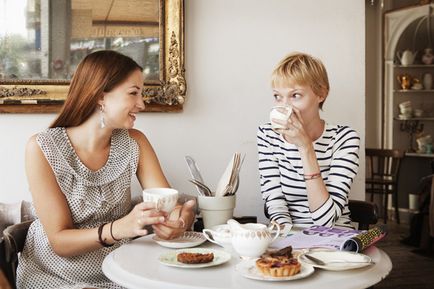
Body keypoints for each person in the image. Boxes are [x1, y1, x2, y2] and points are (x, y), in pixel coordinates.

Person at [17, 50, 195, 288]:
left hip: (120, 269)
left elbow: (168, 203)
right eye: (133, 93)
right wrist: (120, 228)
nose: (142, 104)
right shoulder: (41, 148)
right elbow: (60, 242)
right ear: (101, 96)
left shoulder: (135, 142)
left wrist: (178, 219)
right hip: (54, 275)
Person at [257, 52, 360, 228]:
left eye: (295, 95)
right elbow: (275, 204)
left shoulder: (344, 139)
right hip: (289, 236)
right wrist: (288, 240)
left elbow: (326, 221)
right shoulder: (268, 135)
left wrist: (305, 148)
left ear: (321, 94)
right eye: (277, 96)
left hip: (334, 236)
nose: (284, 106)